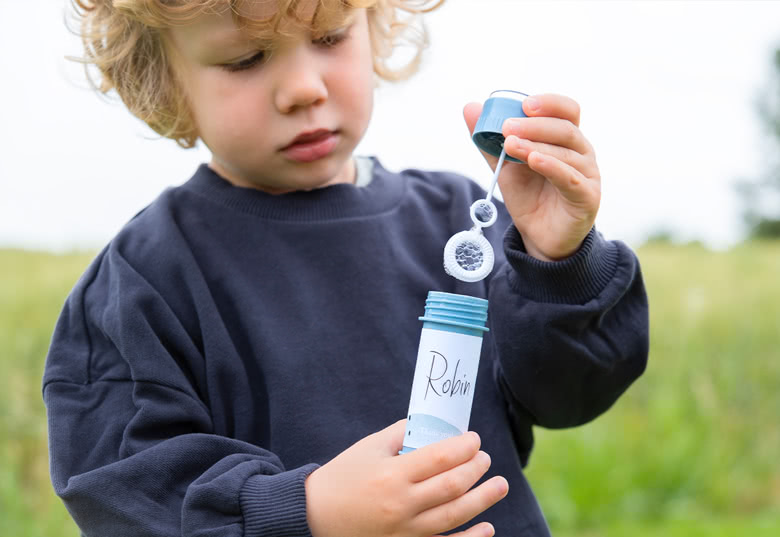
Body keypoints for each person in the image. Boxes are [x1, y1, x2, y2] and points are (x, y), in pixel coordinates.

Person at [43, 1, 649, 536]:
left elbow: (568, 398)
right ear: (165, 82)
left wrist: (558, 261)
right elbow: (123, 493)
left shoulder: (459, 220)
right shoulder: (144, 278)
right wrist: (307, 514)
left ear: (374, 27)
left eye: (330, 37)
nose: (304, 87)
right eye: (246, 58)